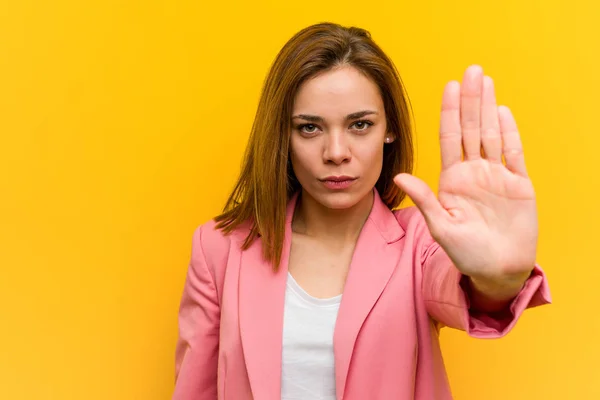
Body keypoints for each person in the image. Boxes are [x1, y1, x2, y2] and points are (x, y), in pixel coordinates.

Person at [172, 22, 551, 400]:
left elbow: (465, 294)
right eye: (309, 128)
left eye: (359, 124)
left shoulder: (419, 243)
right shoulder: (220, 250)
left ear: (389, 130)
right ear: (282, 136)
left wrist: (500, 280)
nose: (336, 152)